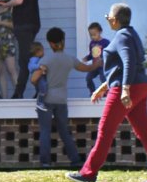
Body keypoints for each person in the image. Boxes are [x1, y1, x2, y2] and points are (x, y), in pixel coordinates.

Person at [66, 2, 147, 182]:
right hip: (141, 85)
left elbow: (128, 62)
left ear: (114, 20)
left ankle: (88, 174)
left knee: (105, 130)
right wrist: (104, 86)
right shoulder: (132, 34)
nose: (107, 20)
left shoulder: (122, 37)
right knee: (145, 133)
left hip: (127, 88)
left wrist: (124, 89)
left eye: (108, 17)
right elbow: (122, 67)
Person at [30, 27, 99, 168]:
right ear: (63, 41)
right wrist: (98, 62)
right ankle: (75, 159)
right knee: (64, 131)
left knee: (45, 130)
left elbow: (33, 79)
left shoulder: (46, 59)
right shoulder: (69, 59)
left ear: (50, 43)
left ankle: (45, 162)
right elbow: (87, 68)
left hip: (47, 99)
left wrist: (41, 74)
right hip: (62, 100)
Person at [0, 0, 41, 98]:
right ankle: (37, 89)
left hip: (23, 23)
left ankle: (20, 92)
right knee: (30, 57)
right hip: (34, 22)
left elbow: (19, 0)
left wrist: (6, 4)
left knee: (24, 60)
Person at [84, 22, 110, 94]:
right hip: (94, 66)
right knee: (88, 78)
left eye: (94, 35)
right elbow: (92, 54)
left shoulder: (105, 42)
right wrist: (87, 58)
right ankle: (92, 92)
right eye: (91, 35)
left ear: (100, 32)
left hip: (102, 66)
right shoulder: (92, 43)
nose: (93, 37)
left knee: (103, 80)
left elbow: (109, 54)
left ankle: (106, 93)